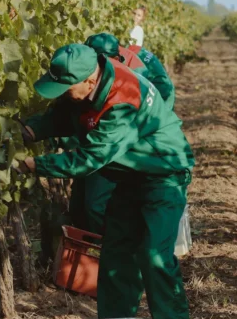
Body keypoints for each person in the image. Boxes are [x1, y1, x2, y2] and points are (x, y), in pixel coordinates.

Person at [19, 44, 196, 319]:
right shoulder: (86, 88)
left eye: (67, 88)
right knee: (115, 257)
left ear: (89, 80)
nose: (64, 94)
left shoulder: (122, 99)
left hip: (163, 174)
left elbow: (87, 160)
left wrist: (31, 165)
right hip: (128, 175)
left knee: (155, 258)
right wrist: (32, 129)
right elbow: (64, 113)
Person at [69, 33, 177, 234]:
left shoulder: (135, 72)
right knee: (84, 199)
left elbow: (165, 94)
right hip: (106, 135)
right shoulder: (93, 77)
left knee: (99, 202)